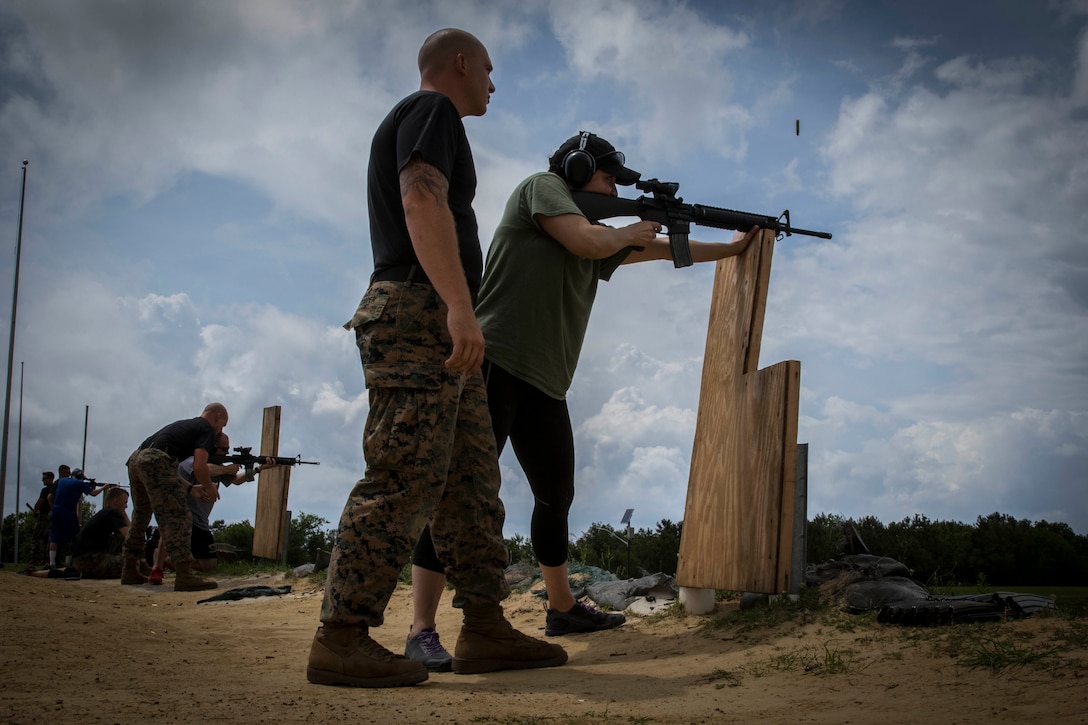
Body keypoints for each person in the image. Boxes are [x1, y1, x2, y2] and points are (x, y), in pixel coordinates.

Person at [408, 131, 759, 643]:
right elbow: (586, 240)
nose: (614, 192)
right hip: (496, 363)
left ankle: (562, 608)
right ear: (576, 170)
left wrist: (731, 250)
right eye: (607, 179)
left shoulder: (598, 232)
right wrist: (630, 229)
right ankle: (422, 630)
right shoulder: (543, 188)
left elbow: (659, 252)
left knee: (556, 495)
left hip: (546, 381)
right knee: (459, 493)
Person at [306, 28, 566, 689]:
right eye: (487, 69)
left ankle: (484, 626)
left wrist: (461, 308)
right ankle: (341, 634)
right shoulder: (433, 111)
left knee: (471, 481)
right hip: (421, 311)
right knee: (404, 474)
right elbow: (420, 197)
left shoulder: (437, 118)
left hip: (442, 317)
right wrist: (456, 304)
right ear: (459, 64)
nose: (492, 83)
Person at [122, 402, 229, 592]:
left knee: (141, 514)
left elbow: (168, 470)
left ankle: (129, 568)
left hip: (137, 459)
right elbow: (199, 466)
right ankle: (184, 574)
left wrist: (190, 489)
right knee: (178, 516)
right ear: (218, 416)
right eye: (223, 424)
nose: (220, 430)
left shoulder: (185, 426)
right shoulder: (205, 428)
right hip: (156, 460)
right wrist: (208, 488)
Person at [147, 432, 274, 584]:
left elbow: (237, 480)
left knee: (209, 565)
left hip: (200, 521)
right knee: (167, 532)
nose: (227, 452)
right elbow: (200, 469)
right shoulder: (192, 459)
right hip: (183, 515)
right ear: (211, 447)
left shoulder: (218, 466)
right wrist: (226, 469)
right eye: (223, 449)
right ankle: (158, 566)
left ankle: (171, 560)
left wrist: (259, 469)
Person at [49, 467, 104, 569]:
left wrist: (53, 508)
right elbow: (94, 493)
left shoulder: (61, 481)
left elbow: (50, 497)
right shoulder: (79, 484)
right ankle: (74, 561)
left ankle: (52, 563)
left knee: (54, 538)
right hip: (68, 512)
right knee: (76, 537)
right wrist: (104, 487)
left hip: (56, 511)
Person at [72, 486, 131, 579]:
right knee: (132, 566)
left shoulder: (105, 513)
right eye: (125, 502)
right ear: (116, 501)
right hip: (89, 559)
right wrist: (123, 513)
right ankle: (91, 571)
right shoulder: (111, 513)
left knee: (118, 537)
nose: (126, 506)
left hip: (81, 559)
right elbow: (130, 536)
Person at [30, 471, 56, 565]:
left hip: (44, 516)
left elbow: (39, 502)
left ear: (50, 478)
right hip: (52, 516)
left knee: (37, 538)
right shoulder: (55, 488)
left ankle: (35, 559)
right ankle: (46, 560)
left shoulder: (45, 490)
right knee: (49, 539)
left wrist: (34, 511)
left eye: (44, 478)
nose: (42, 480)